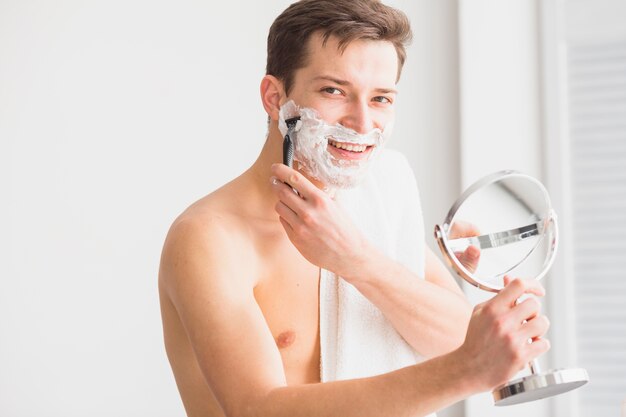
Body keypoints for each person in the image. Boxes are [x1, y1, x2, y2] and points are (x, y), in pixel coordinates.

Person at [158, 1, 551, 416]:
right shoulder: (208, 238)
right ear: (275, 98)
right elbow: (257, 408)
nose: (362, 123)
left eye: (381, 98)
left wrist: (357, 261)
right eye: (334, 91)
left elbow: (458, 337)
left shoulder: (374, 199)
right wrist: (465, 372)